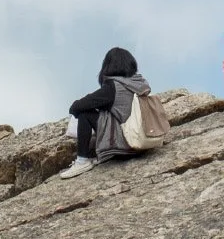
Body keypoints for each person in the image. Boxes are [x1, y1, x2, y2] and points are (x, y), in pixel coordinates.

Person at [63, 46, 158, 177]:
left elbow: (77, 106)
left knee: (85, 114)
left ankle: (82, 161)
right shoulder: (139, 84)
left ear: (108, 66)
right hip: (143, 142)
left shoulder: (113, 87)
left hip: (126, 145)